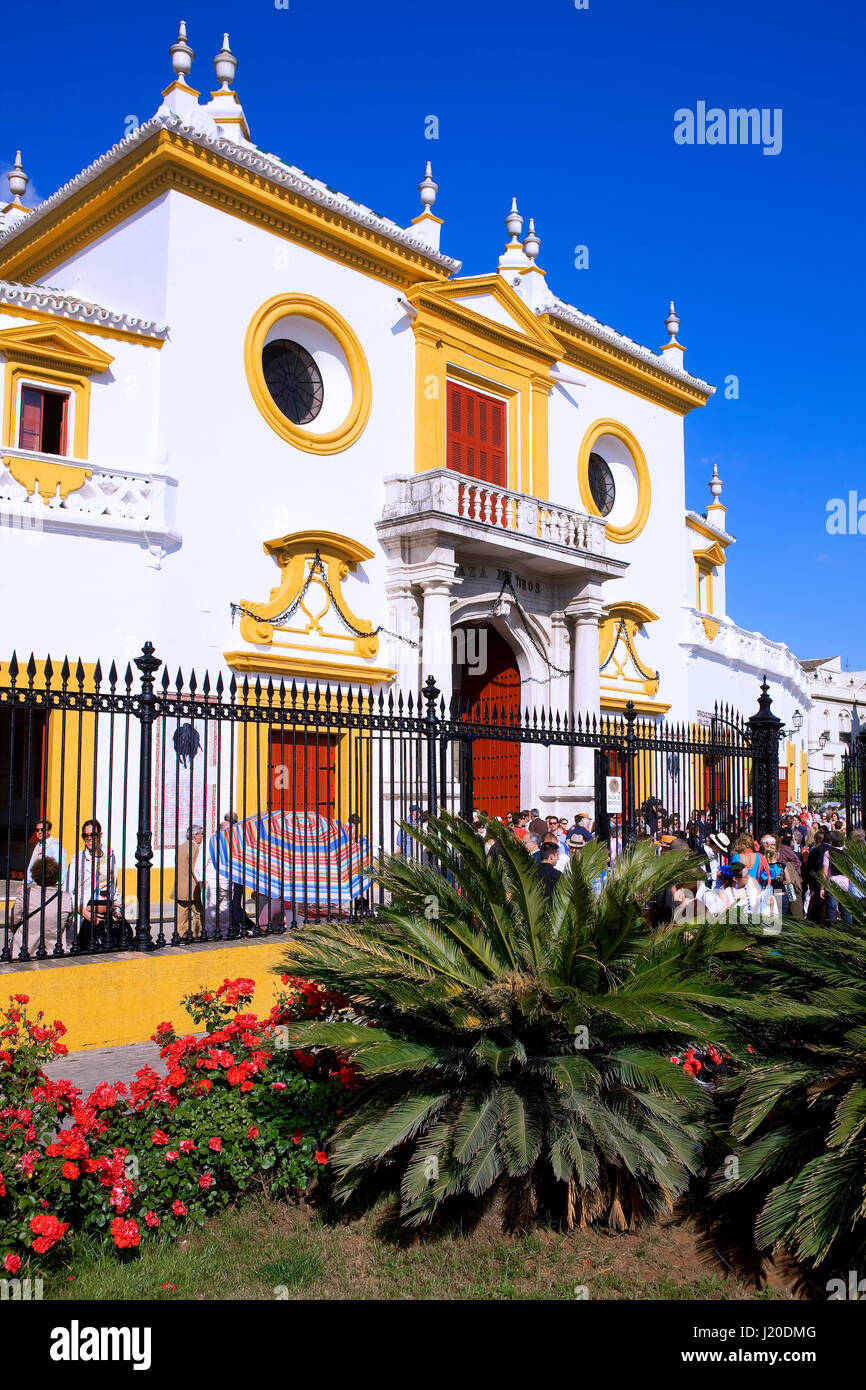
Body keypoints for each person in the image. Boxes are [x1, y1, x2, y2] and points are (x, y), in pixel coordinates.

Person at [66, 819, 121, 950]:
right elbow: (68, 893)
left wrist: (117, 909)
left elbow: (114, 887)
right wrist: (85, 913)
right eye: (86, 836)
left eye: (93, 835)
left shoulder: (110, 856)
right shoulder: (78, 860)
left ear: (100, 835)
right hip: (86, 919)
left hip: (106, 919)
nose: (89, 839)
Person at [10, 856, 74, 956]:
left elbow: (14, 919)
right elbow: (68, 923)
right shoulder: (66, 897)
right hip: (54, 951)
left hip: (25, 950)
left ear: (35, 874)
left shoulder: (26, 894)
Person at [175, 824, 204, 939]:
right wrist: (201, 883)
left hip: (180, 886)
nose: (202, 836)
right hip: (191, 886)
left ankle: (181, 933)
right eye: (201, 834)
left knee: (182, 912)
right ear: (194, 836)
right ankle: (197, 933)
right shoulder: (194, 848)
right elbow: (195, 868)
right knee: (198, 911)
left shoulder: (181, 847)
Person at [26, 820, 67, 885]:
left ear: (49, 831)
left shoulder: (54, 845)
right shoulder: (38, 846)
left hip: (51, 884)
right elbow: (32, 864)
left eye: (42, 829)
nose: (39, 832)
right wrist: (25, 882)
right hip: (39, 883)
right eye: (37, 830)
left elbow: (61, 865)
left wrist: (58, 884)